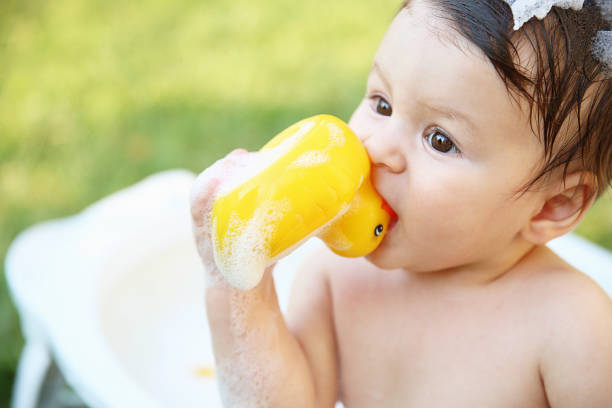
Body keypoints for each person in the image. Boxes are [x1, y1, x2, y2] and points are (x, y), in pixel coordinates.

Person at [190, 0, 612, 406]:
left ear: (552, 206)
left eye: (440, 141)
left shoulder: (573, 332)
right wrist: (234, 281)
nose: (378, 150)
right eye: (382, 104)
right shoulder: (337, 277)